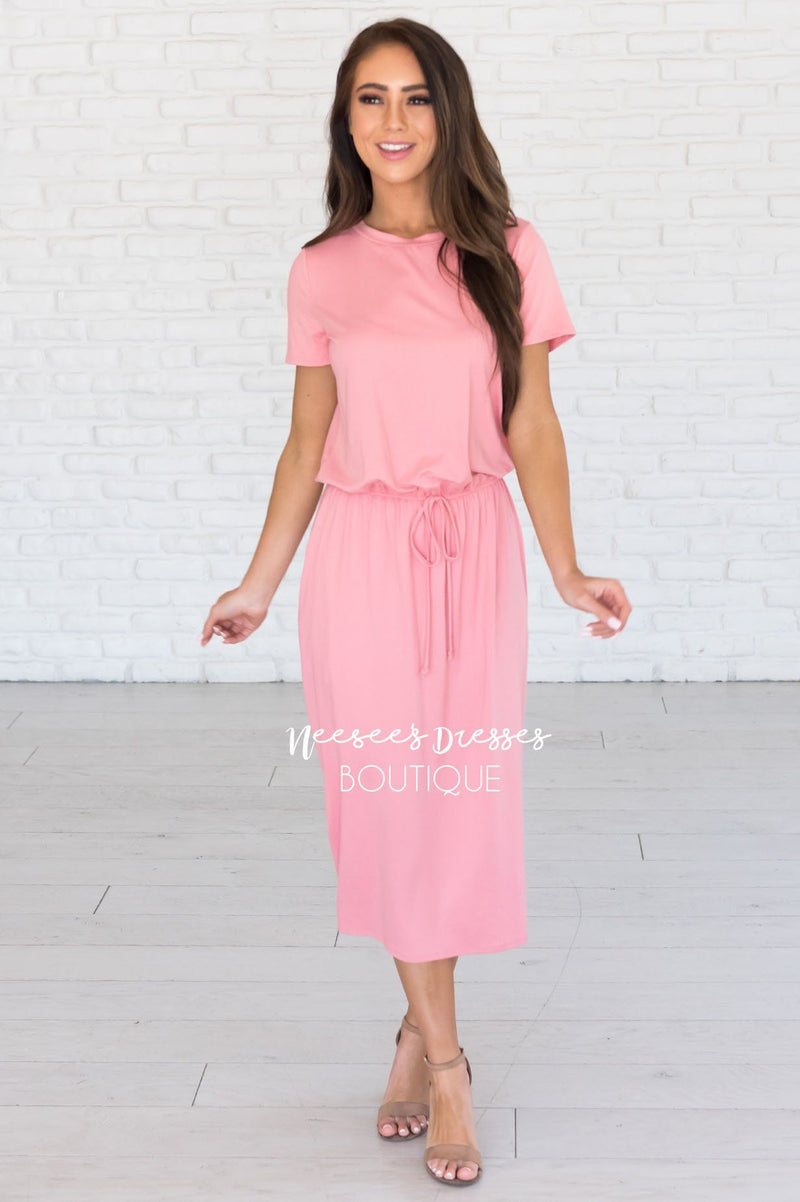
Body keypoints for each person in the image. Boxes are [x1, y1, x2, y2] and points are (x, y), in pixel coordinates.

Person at [201, 17, 631, 1188]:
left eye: (414, 97)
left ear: (449, 111)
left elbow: (530, 423)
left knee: (457, 805)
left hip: (473, 550)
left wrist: (565, 566)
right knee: (388, 806)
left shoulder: (510, 250)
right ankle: (445, 1062)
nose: (391, 121)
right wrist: (256, 583)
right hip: (360, 557)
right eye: (368, 98)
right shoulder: (322, 268)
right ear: (344, 119)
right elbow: (306, 443)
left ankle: (409, 1026)